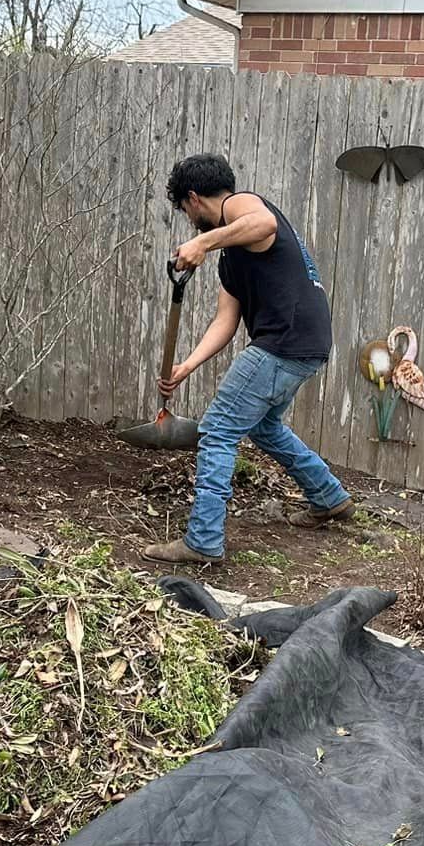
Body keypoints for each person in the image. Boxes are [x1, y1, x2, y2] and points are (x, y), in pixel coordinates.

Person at [144, 154, 353, 565]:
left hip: (283, 341)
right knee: (265, 428)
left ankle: (202, 541)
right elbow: (227, 319)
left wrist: (202, 242)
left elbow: (265, 224)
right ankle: (329, 497)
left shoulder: (240, 205)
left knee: (217, 430)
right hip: (305, 344)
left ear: (193, 199)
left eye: (186, 211)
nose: (190, 221)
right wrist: (187, 365)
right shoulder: (232, 254)